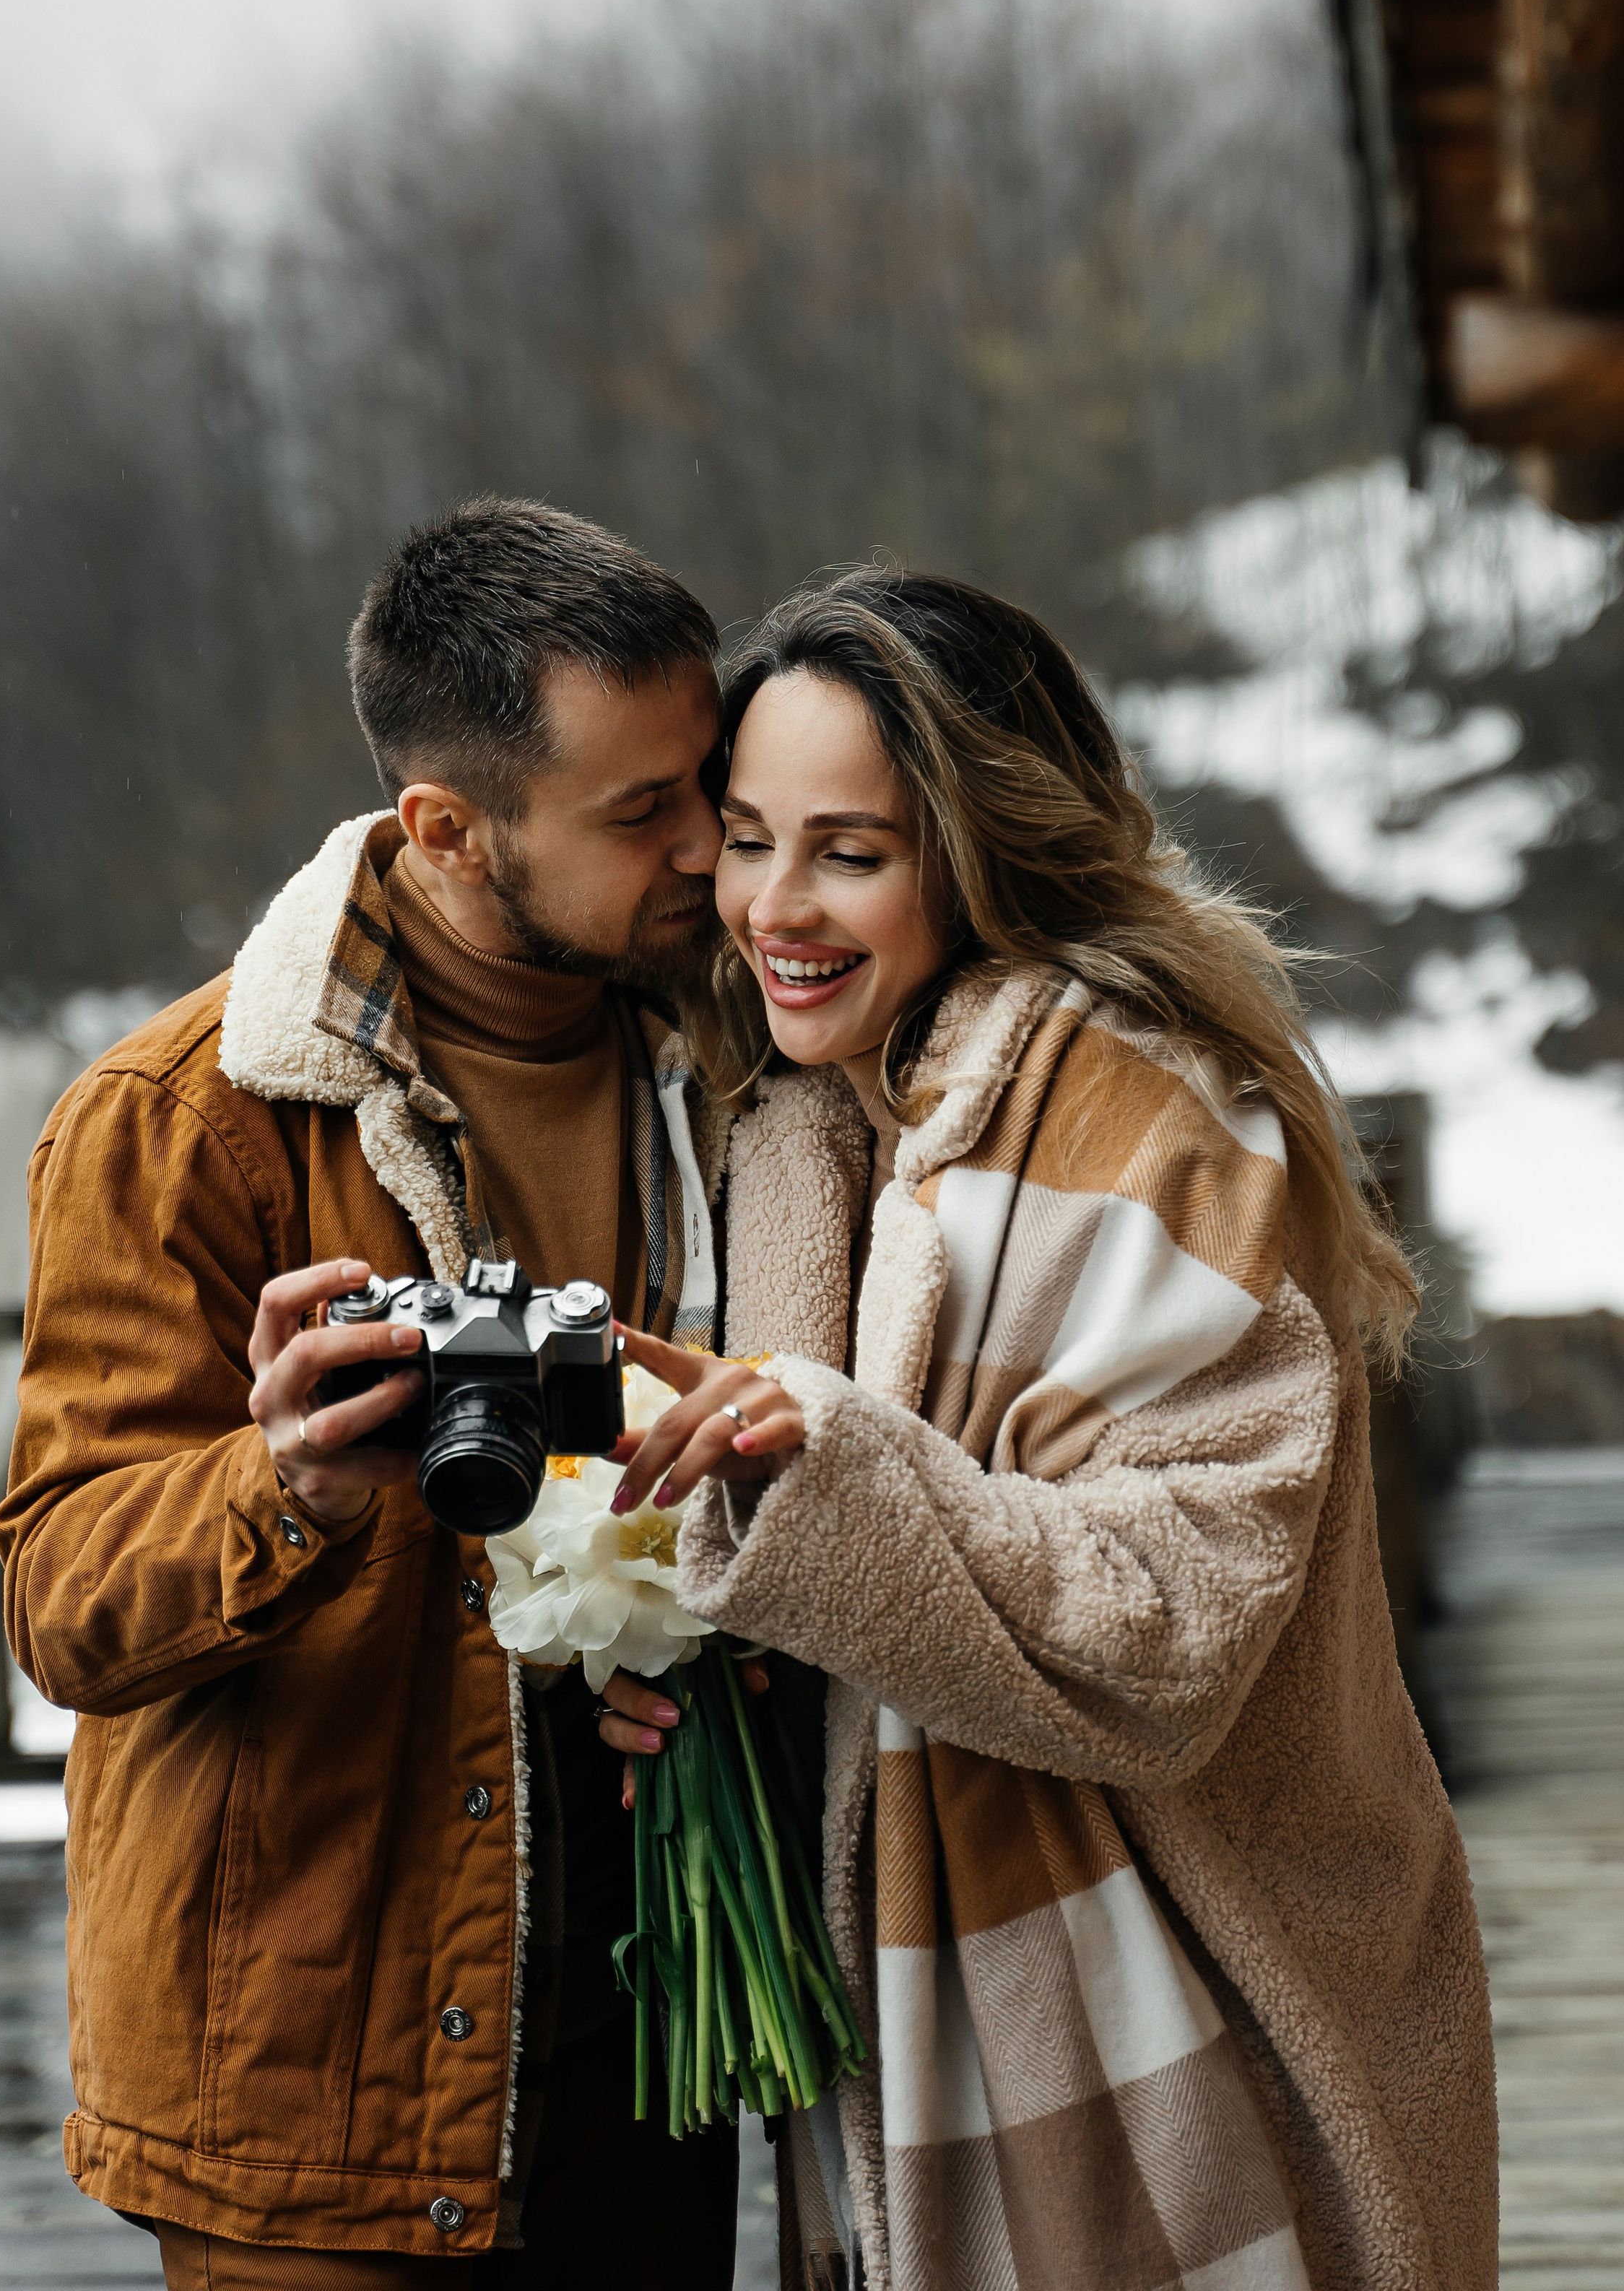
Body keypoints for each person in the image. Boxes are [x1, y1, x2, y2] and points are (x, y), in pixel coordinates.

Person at [609, 569, 1498, 2291]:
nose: (773, 906)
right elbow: (840, 1570)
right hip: (908, 2018)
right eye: (744, 836)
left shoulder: (1154, 1122)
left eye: (848, 852)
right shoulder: (796, 1121)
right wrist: (696, 1666)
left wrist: (824, 1467)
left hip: (1188, 2014)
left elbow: (1170, 1619)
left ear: (979, 847)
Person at [0, 498, 743, 2287]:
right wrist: (289, 1485)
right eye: (642, 811)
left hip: (653, 2029)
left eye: (706, 781)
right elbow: (60, 1603)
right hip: (315, 2070)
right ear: (447, 830)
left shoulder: (737, 1068)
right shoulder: (184, 1118)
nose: (712, 848)